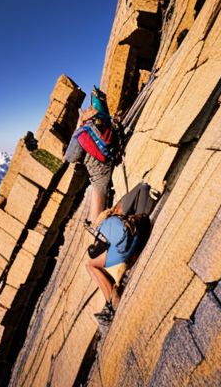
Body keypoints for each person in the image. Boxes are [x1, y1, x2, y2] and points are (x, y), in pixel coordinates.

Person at [85, 182, 162, 324]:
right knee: (142, 189)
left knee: (90, 265)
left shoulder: (115, 227)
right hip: (139, 230)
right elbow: (142, 187)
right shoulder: (137, 218)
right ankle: (110, 299)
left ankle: (111, 300)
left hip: (130, 243)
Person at [64, 86, 116, 225]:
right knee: (98, 183)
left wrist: (78, 128)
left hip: (100, 165)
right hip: (109, 155)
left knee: (98, 187)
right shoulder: (104, 119)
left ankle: (95, 224)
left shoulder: (85, 130)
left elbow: (71, 157)